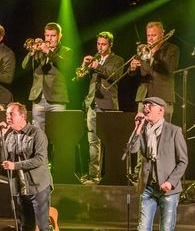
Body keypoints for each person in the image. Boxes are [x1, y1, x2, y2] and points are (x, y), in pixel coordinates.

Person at [0, 102, 64, 231]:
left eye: (11, 114)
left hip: (38, 186)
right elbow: (2, 157)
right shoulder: (9, 135)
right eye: (7, 114)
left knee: (44, 227)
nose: (8, 117)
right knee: (27, 228)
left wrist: (16, 165)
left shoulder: (36, 133)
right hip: (21, 187)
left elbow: (40, 159)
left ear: (22, 116)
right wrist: (0, 136)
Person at [129, 96, 188, 231]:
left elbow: (183, 161)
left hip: (168, 190)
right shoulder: (143, 130)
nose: (146, 108)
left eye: (150, 105)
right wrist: (137, 128)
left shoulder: (174, 131)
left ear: (161, 110)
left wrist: (171, 182)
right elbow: (132, 150)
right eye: (145, 105)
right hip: (148, 188)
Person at [81, 31, 124, 184]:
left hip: (108, 104)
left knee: (109, 142)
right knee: (93, 141)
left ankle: (111, 175)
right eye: (98, 44)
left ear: (110, 45)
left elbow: (115, 76)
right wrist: (84, 66)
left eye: (104, 44)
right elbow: (83, 76)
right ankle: (94, 175)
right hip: (92, 103)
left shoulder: (117, 60)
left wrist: (97, 66)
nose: (100, 47)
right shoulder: (95, 58)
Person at [22, 22, 73, 131]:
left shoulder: (66, 51)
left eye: (53, 36)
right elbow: (24, 66)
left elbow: (66, 66)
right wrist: (32, 52)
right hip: (38, 98)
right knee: (38, 132)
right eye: (47, 35)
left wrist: (48, 52)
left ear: (60, 36)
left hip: (57, 99)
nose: (49, 39)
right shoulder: (38, 51)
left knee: (58, 132)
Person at [130, 22, 178, 121]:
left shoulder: (172, 49)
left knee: (162, 130)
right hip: (144, 97)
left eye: (154, 35)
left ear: (162, 34)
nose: (150, 39)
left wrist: (154, 54)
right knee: (141, 129)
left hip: (162, 98)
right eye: (148, 35)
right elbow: (137, 74)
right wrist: (132, 68)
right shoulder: (144, 50)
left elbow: (170, 68)